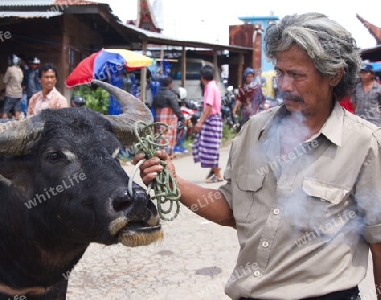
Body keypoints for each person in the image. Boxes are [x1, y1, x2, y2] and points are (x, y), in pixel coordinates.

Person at [134, 12, 381, 300]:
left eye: (297, 75)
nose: (284, 85)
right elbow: (230, 210)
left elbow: (379, 240)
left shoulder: (364, 144)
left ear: (334, 75)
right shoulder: (254, 131)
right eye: (280, 72)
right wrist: (174, 182)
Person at [193, 65, 223, 183]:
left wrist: (201, 121)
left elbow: (209, 106)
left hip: (212, 119)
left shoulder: (210, 88)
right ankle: (213, 170)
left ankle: (218, 174)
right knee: (205, 145)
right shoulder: (212, 86)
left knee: (210, 148)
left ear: (202, 77)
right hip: (213, 119)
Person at [152, 76, 183, 156]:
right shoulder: (171, 94)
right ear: (170, 84)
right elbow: (176, 107)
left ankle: (160, 151)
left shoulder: (157, 94)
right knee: (169, 134)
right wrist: (181, 117)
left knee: (160, 134)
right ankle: (168, 153)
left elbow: (154, 106)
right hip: (169, 118)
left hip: (159, 118)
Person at [2, 54, 24, 120]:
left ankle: (2, 126)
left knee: (5, 111)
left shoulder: (10, 69)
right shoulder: (20, 70)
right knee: (17, 110)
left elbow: (4, 80)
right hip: (18, 94)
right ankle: (18, 126)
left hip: (11, 93)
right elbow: (21, 79)